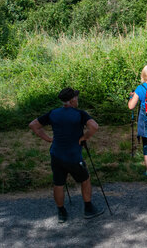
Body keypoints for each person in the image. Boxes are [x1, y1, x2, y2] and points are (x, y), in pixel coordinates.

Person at [28, 87, 104, 223]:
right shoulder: (79, 114)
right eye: (76, 97)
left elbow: (33, 125)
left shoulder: (53, 113)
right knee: (85, 179)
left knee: (58, 183)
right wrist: (85, 137)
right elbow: (94, 126)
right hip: (73, 156)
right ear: (72, 100)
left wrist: (48, 139)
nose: (78, 99)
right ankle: (88, 208)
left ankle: (61, 212)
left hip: (56, 154)